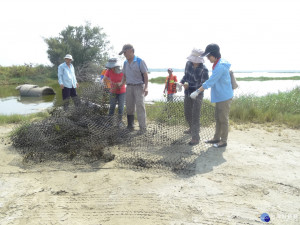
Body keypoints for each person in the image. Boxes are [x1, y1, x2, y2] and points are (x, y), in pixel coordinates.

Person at [194, 43, 233, 148]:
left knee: (223, 119)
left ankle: (223, 141)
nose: (207, 58)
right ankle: (216, 138)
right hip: (220, 96)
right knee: (218, 118)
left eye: (208, 56)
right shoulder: (217, 64)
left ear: (214, 55)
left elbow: (211, 82)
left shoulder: (220, 66)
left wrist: (197, 91)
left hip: (224, 96)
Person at [180, 49, 209, 145]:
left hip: (198, 94)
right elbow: (185, 76)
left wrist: (194, 89)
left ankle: (195, 138)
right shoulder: (188, 64)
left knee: (195, 115)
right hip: (187, 92)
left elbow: (204, 85)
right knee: (187, 112)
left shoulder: (204, 70)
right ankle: (192, 128)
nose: (193, 61)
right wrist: (181, 83)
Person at [118, 44, 148, 134]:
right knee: (129, 106)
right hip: (129, 87)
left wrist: (146, 87)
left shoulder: (140, 61)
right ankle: (130, 125)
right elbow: (124, 76)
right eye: (123, 53)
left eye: (125, 52)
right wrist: (121, 83)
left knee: (140, 107)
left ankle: (143, 128)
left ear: (131, 50)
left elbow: (145, 75)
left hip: (139, 87)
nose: (124, 55)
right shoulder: (125, 63)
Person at [103, 58, 126, 127]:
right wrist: (111, 83)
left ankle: (119, 122)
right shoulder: (108, 70)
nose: (111, 68)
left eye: (112, 67)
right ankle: (109, 122)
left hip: (122, 91)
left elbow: (126, 79)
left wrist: (120, 83)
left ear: (116, 66)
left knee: (121, 107)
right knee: (112, 106)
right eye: (110, 67)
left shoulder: (122, 71)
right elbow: (104, 79)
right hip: (113, 91)